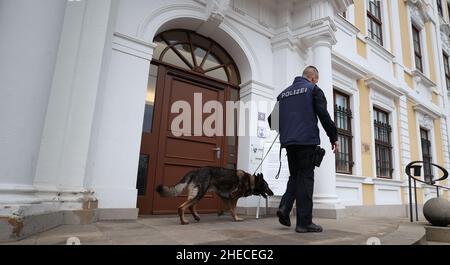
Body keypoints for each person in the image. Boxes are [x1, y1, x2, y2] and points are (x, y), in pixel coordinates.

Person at [271, 66, 338, 233]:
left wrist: (288, 129)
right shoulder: (313, 90)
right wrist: (333, 137)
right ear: (313, 78)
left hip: (289, 143)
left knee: (295, 177)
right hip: (306, 142)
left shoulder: (283, 94)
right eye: (317, 79)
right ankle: (304, 223)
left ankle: (285, 208)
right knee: (306, 181)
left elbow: (272, 121)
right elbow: (323, 115)